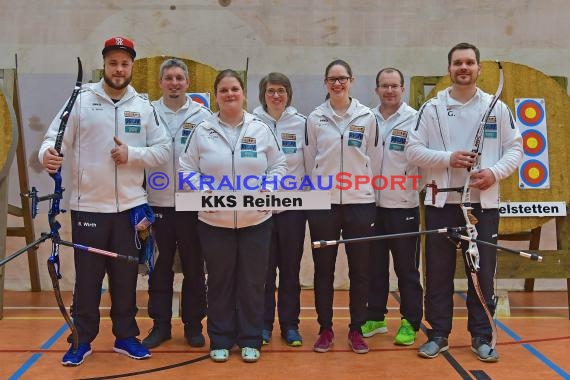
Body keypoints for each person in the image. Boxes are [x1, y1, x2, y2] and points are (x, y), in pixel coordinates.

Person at [39, 36, 171, 366]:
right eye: (113, 62)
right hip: (88, 209)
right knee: (87, 279)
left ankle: (126, 336)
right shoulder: (81, 100)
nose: (118, 68)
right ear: (105, 65)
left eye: (124, 63)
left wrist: (132, 154)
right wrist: (48, 156)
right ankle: (81, 339)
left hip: (130, 209)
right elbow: (52, 141)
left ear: (131, 67)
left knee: (125, 278)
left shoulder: (144, 106)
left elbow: (164, 151)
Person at [406, 42, 523, 362]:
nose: (464, 67)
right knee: (438, 273)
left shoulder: (496, 107)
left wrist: (494, 173)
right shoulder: (431, 109)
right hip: (440, 204)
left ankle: (482, 337)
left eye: (470, 62)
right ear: (449, 69)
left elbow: (517, 149)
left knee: (483, 275)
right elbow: (412, 151)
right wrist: (449, 159)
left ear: (479, 68)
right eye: (458, 62)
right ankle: (439, 333)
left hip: (482, 206)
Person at [179, 69, 286, 363]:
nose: (229, 94)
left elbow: (279, 166)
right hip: (214, 223)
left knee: (253, 282)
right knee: (219, 282)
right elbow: (186, 169)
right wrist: (206, 192)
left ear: (243, 93)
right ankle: (221, 338)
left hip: (257, 222)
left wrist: (268, 186)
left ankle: (251, 338)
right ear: (216, 95)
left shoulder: (260, 128)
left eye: (234, 89)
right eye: (224, 90)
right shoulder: (202, 130)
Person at [304, 59, 380, 354]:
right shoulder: (315, 118)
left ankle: (356, 329)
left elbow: (370, 155)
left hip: (360, 203)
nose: (337, 83)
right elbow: (312, 158)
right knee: (324, 269)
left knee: (361, 270)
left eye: (342, 78)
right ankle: (325, 329)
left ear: (352, 80)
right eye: (332, 79)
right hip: (322, 204)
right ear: (325, 83)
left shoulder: (366, 117)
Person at [142, 59, 211, 349]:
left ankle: (193, 326)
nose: (174, 83)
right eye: (168, 78)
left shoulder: (203, 115)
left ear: (187, 83)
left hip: (192, 205)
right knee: (159, 269)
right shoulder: (148, 112)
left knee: (195, 268)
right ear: (160, 82)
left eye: (179, 78)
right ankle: (160, 326)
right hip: (156, 204)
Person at [361, 68, 423, 346]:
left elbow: (424, 161)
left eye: (394, 86)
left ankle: (410, 322)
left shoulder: (416, 120)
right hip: (371, 205)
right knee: (374, 266)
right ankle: (375, 317)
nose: (389, 90)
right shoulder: (367, 118)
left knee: (406, 269)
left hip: (403, 207)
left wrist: (410, 188)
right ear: (377, 89)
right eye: (384, 86)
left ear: (402, 89)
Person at [252, 73, 306, 347]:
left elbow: (310, 165)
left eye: (281, 90)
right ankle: (262, 325)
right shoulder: (250, 123)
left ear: (288, 94)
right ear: (263, 94)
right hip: (258, 211)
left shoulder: (302, 124)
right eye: (271, 90)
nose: (276, 95)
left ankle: (290, 325)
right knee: (262, 272)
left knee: (290, 271)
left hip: (292, 212)